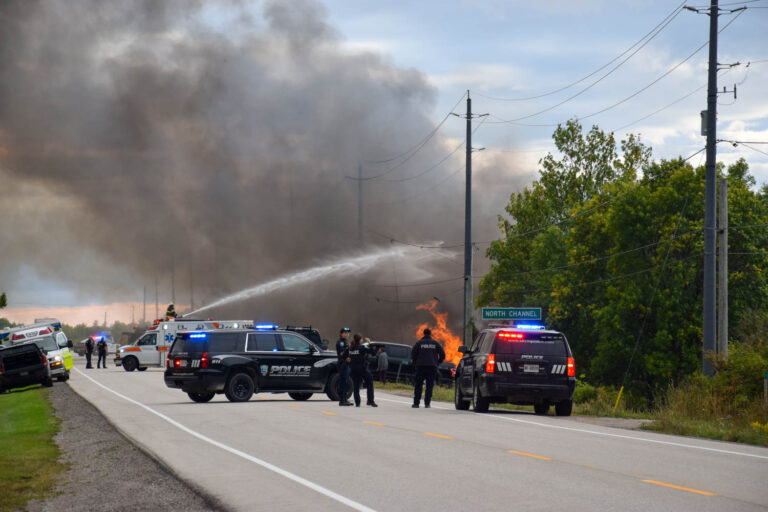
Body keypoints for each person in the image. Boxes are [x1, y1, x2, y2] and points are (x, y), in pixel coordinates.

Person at [411, 328, 445, 408]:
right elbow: (443, 355)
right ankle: (427, 403)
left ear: (423, 334)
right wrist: (437, 362)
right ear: (430, 334)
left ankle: (416, 403)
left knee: (418, 385)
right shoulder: (435, 343)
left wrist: (415, 363)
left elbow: (413, 354)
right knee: (429, 386)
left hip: (421, 367)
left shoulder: (419, 343)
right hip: (432, 367)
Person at [349, 334, 378, 407]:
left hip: (353, 369)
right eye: (361, 339)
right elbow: (373, 352)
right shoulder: (361, 348)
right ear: (359, 340)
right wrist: (370, 343)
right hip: (362, 369)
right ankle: (370, 401)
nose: (362, 340)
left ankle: (357, 402)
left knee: (356, 386)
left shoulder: (351, 348)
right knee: (370, 382)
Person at [335, 327, 352, 406]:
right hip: (342, 364)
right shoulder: (340, 342)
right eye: (345, 333)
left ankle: (345, 399)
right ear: (341, 334)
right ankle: (342, 400)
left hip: (347, 364)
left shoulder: (346, 342)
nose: (347, 334)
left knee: (346, 382)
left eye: (348, 333)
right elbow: (341, 353)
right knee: (343, 382)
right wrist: (347, 349)